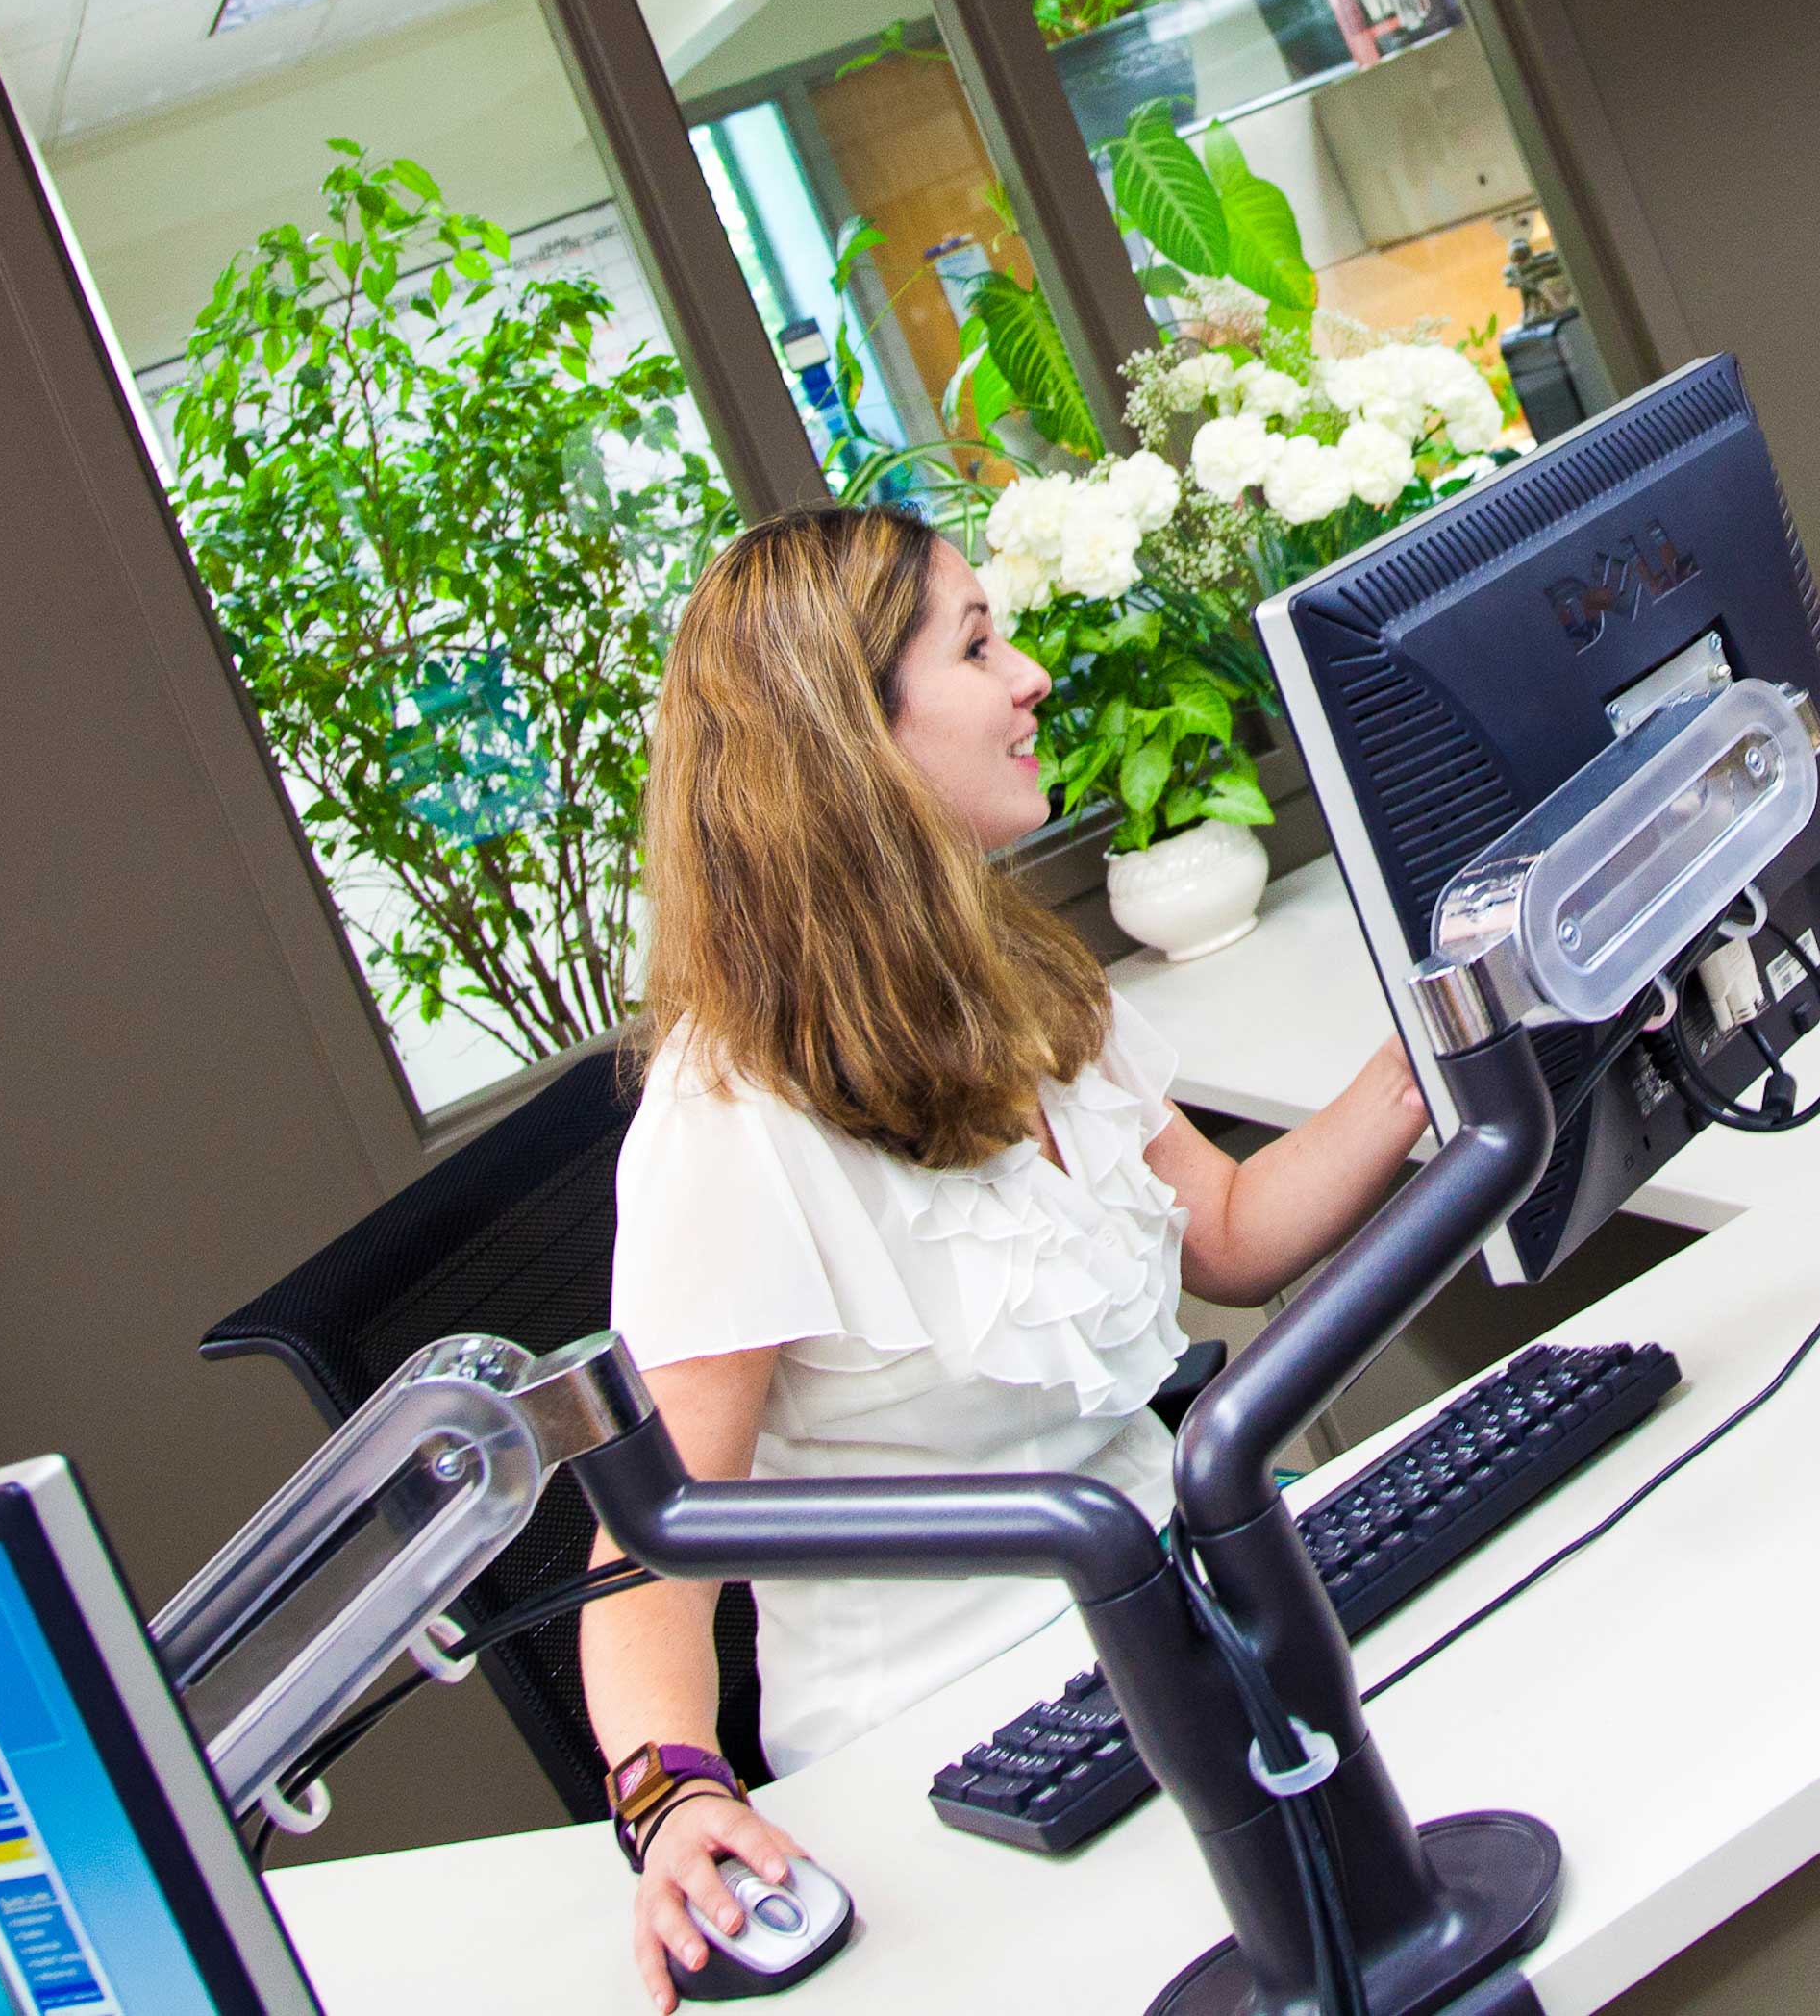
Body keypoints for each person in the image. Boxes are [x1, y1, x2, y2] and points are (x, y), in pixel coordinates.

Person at [580, 504, 1434, 2008]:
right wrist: (674, 1795)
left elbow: (1225, 1233)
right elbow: (652, 1550)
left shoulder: (1015, 981)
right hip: (964, 1771)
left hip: (1188, 1645)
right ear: (854, 733)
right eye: (979, 646)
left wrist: (1447, 1041)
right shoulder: (727, 1125)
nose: (1033, 674)